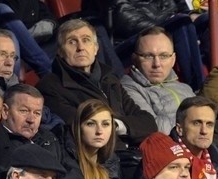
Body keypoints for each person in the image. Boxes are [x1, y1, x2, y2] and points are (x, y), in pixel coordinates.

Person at [36, 19, 157, 148]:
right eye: (72, 42)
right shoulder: (50, 87)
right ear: (60, 51)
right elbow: (84, 130)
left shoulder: (110, 79)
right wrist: (124, 129)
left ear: (96, 48)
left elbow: (148, 123)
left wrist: (116, 125)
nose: (80, 47)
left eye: (86, 40)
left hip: (133, 153)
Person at [57, 98, 125, 179]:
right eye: (91, 124)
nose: (99, 131)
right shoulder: (64, 157)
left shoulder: (112, 161)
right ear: (78, 127)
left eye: (105, 124)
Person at [121, 26, 195, 134]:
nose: (157, 64)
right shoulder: (128, 88)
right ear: (134, 59)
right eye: (148, 56)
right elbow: (154, 128)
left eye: (163, 56)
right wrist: (194, 128)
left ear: (173, 59)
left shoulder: (185, 88)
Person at [0, 84, 63, 155]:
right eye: (24, 111)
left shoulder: (50, 140)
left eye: (37, 113)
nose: (31, 120)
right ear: (5, 111)